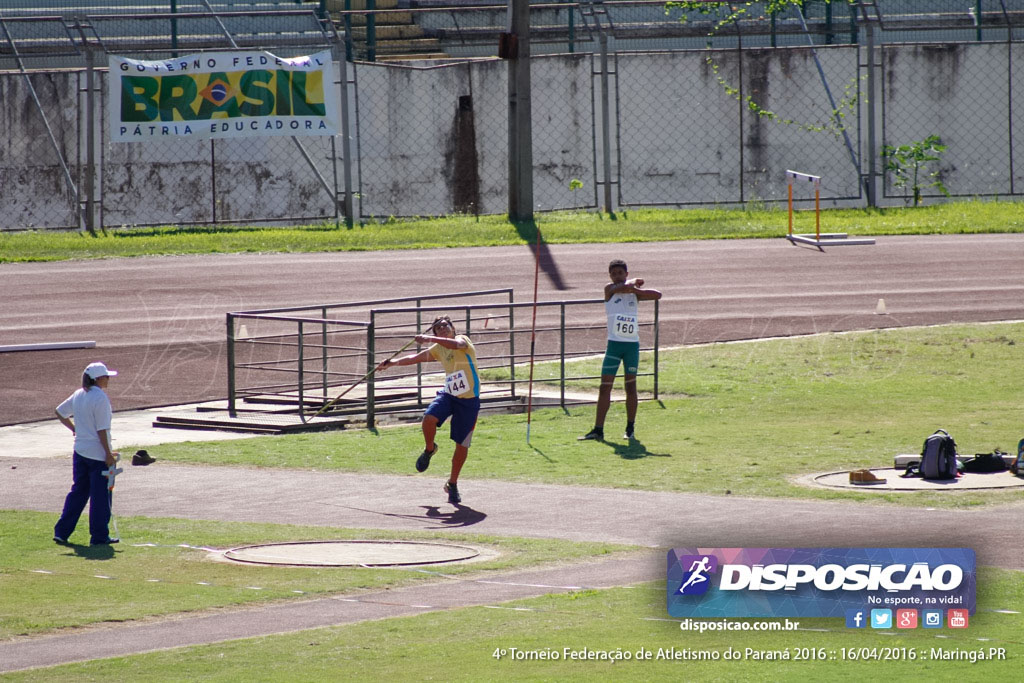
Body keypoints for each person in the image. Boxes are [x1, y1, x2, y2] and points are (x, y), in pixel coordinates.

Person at [377, 316, 480, 504]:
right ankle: (430, 449)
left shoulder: (463, 341)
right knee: (429, 418)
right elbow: (415, 358)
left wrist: (430, 339)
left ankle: (453, 484)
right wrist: (392, 363)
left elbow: (455, 345)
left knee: (462, 445)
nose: (441, 329)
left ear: (452, 328)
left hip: (469, 402)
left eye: (445, 326)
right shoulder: (438, 349)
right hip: (449, 395)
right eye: (437, 328)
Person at [580, 259, 662, 441]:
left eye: (620, 273)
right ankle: (598, 429)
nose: (617, 276)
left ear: (626, 273)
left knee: (630, 387)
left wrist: (635, 288)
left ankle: (630, 428)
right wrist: (632, 283)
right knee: (604, 387)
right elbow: (617, 288)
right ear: (610, 276)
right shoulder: (609, 290)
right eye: (614, 273)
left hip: (631, 346)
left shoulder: (634, 293)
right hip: (614, 346)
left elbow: (658, 294)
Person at [53, 362, 121, 546]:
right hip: (97, 455)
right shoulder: (100, 399)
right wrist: (108, 454)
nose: (108, 379)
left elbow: (60, 412)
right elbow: (102, 429)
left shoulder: (79, 394)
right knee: (100, 497)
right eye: (106, 376)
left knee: (78, 492)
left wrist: (74, 429)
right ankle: (99, 536)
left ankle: (62, 532)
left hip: (80, 451)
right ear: (98, 378)